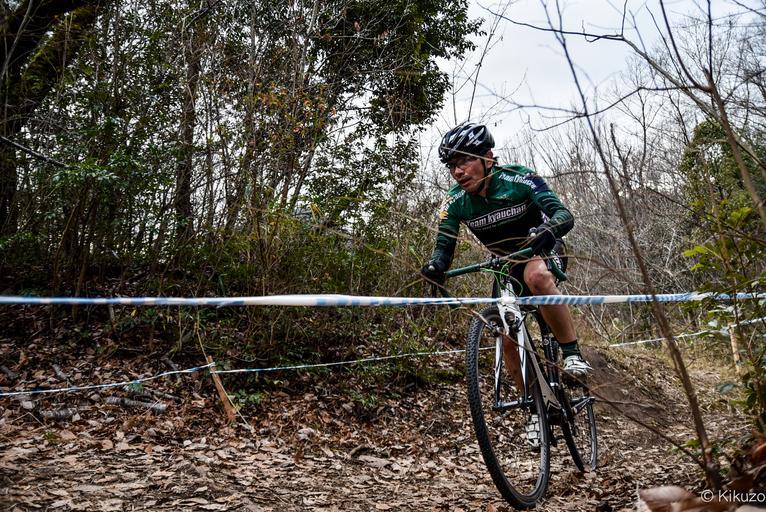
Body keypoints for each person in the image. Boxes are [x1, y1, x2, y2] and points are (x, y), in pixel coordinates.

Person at [421, 122, 591, 376]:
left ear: (488, 158)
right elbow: (444, 245)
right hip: (505, 264)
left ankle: (572, 354)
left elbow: (563, 214)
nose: (458, 171)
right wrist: (436, 265)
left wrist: (548, 229)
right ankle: (532, 401)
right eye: (452, 165)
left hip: (542, 248)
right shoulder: (455, 200)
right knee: (506, 338)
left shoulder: (518, 178)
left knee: (536, 276)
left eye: (465, 161)